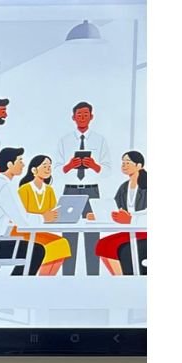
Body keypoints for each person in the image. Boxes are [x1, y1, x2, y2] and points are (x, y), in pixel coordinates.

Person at [0, 147, 59, 276]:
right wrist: (44, 217)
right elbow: (23, 221)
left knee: (33, 249)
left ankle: (15, 281)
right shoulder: (5, 186)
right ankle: (18, 283)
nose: (23, 164)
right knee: (37, 251)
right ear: (10, 164)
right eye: (20, 161)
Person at [56, 101, 110, 275]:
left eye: (86, 114)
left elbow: (107, 170)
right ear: (73, 117)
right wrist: (69, 166)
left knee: (92, 235)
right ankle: (67, 278)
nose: (82, 118)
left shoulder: (100, 140)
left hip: (91, 191)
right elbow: (55, 170)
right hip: (70, 190)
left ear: (91, 117)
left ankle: (93, 277)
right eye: (79, 115)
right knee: (68, 236)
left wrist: (94, 165)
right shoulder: (64, 140)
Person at [15, 155, 71, 276]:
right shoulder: (24, 189)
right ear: (34, 170)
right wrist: (43, 217)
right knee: (55, 245)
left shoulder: (49, 190)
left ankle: (45, 278)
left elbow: (53, 212)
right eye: (44, 166)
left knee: (62, 243)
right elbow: (21, 216)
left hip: (39, 231)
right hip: (22, 232)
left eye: (50, 166)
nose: (48, 169)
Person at [95, 151, 148, 275]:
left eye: (128, 162)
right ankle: (120, 279)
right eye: (123, 162)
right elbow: (115, 208)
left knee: (124, 250)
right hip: (131, 230)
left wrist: (131, 220)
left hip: (144, 230)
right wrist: (97, 215)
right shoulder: (124, 187)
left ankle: (129, 278)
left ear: (139, 165)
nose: (124, 165)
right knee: (103, 245)